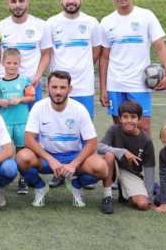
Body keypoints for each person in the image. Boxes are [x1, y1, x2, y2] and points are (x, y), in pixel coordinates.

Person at [16, 71, 108, 208]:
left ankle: (76, 185)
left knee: (101, 168)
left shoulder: (79, 109)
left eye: (62, 87)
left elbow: (92, 142)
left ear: (69, 89)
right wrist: (51, 160)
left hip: (73, 157)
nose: (58, 92)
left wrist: (73, 164)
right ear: (47, 88)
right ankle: (40, 187)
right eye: (54, 87)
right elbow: (28, 139)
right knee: (21, 158)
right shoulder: (39, 107)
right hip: (46, 158)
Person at [99, 0, 166, 134]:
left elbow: (160, 46)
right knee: (120, 128)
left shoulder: (146, 16)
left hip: (139, 83)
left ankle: (145, 159)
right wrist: (103, 88)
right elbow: (104, 57)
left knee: (143, 128)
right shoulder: (106, 22)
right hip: (115, 83)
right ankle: (124, 159)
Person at [46, 0, 102, 189]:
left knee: (83, 133)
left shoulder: (91, 23)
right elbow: (47, 53)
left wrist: (82, 69)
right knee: (57, 131)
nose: (71, 1)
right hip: (58, 89)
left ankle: (82, 170)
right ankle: (59, 172)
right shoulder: (51, 23)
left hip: (84, 87)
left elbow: (96, 51)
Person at [0, 0, 52, 103]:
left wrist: (37, 77)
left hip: (30, 84)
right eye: (13, 1)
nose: (17, 5)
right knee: (4, 121)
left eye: (21, 1)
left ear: (28, 3)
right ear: (7, 4)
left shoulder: (42, 25)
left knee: (32, 121)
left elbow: (46, 54)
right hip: (4, 85)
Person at [98, 101, 156, 214]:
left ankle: (121, 183)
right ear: (120, 119)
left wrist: (149, 197)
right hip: (115, 167)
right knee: (108, 155)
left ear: (139, 119)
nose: (129, 120)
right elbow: (100, 148)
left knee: (142, 204)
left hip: (132, 173)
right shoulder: (114, 129)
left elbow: (149, 168)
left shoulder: (146, 140)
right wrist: (123, 152)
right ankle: (107, 197)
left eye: (133, 117)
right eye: (125, 117)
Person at [0, 48, 35, 193]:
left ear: (19, 64)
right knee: (4, 150)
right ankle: (2, 175)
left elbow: (32, 97)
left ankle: (23, 179)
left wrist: (20, 99)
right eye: (9, 63)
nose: (12, 66)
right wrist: (0, 102)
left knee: (21, 150)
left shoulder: (24, 81)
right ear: (3, 63)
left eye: (15, 63)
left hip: (22, 121)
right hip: (5, 122)